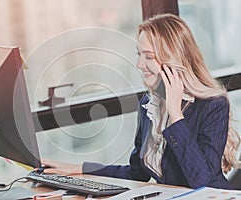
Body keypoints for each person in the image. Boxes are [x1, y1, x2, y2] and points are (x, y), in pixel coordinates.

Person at [41, 14, 241, 189]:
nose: (139, 65)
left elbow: (202, 180)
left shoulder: (213, 105)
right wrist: (78, 169)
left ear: (173, 60)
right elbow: (136, 173)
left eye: (149, 57)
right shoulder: (149, 105)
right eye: (139, 55)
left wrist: (175, 114)